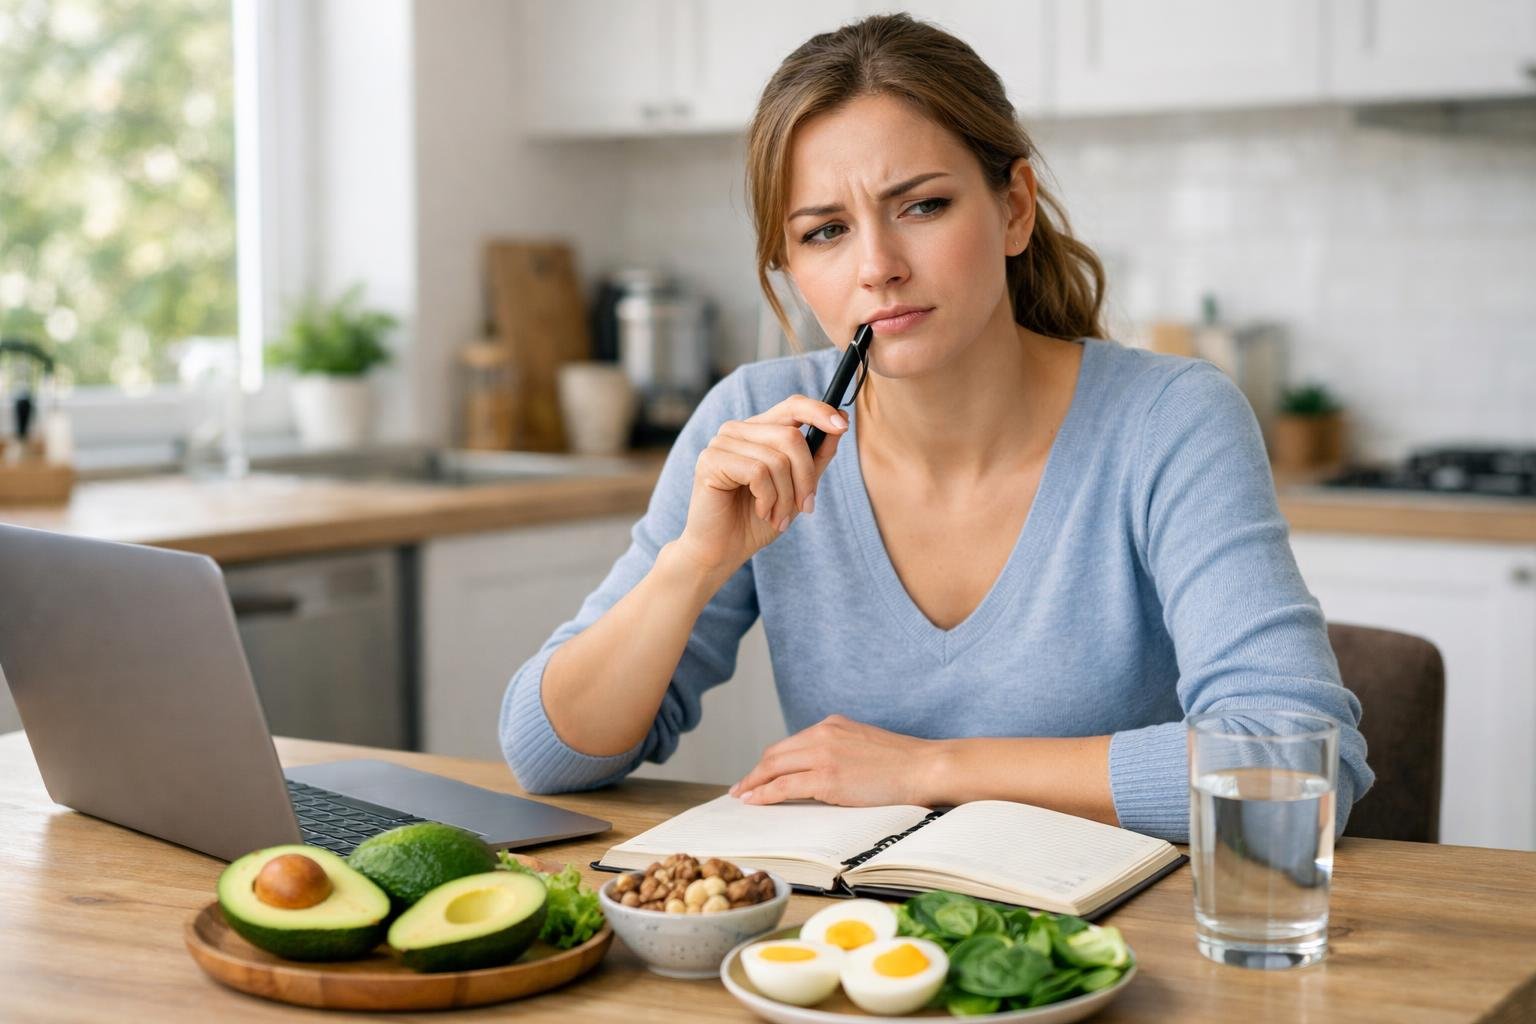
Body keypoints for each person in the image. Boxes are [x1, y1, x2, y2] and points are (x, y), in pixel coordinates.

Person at [499, 14, 1372, 842]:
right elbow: (544, 757)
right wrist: (690, 568)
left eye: (922, 206)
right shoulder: (750, 421)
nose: (877, 266)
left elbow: (1300, 764)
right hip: (859, 956)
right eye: (826, 231)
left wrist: (931, 769)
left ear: (1015, 208)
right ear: (794, 267)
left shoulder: (1170, 420)